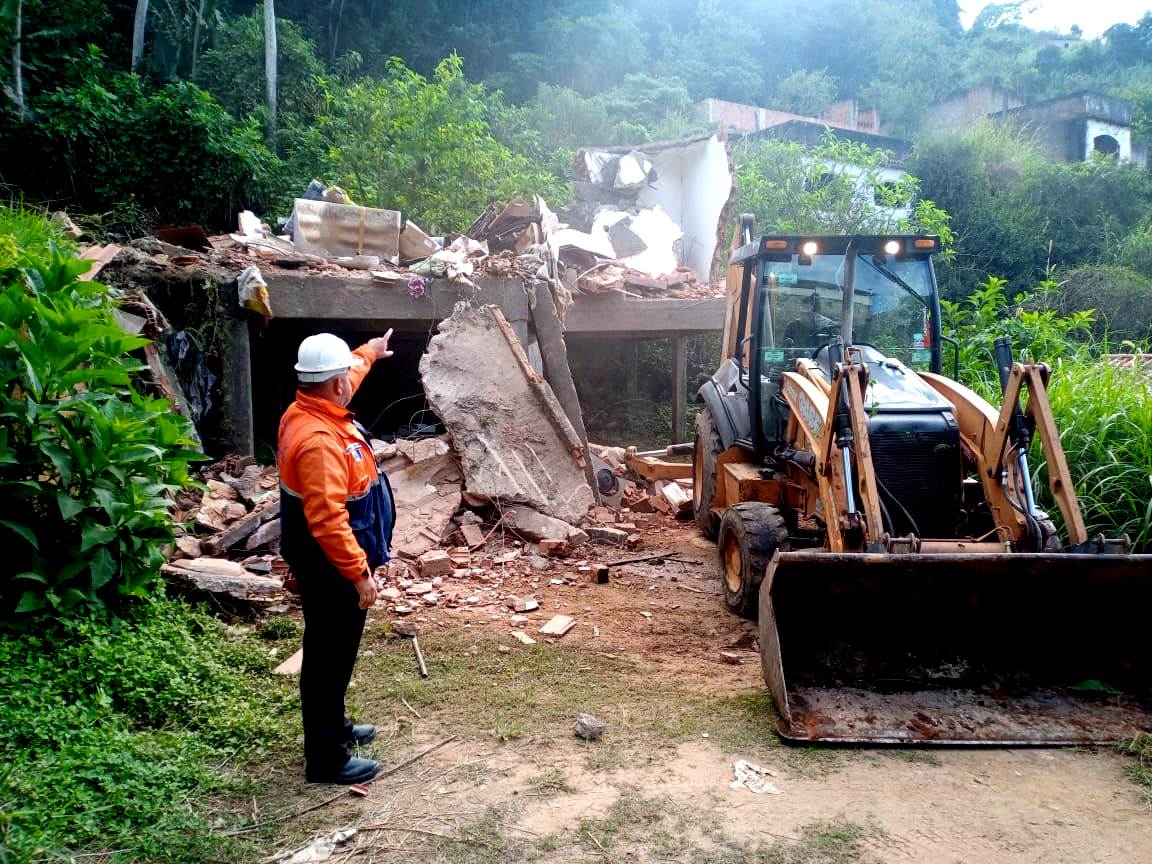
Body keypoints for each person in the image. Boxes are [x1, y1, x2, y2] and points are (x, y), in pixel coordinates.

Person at [278, 331, 397, 784]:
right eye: (343, 374)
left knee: (336, 651)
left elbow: (351, 370)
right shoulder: (318, 441)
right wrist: (359, 575)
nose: (350, 378)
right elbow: (327, 518)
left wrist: (371, 352)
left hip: (331, 558)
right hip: (329, 563)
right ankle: (326, 758)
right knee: (329, 657)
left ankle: (337, 726)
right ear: (333, 386)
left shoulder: (312, 405)